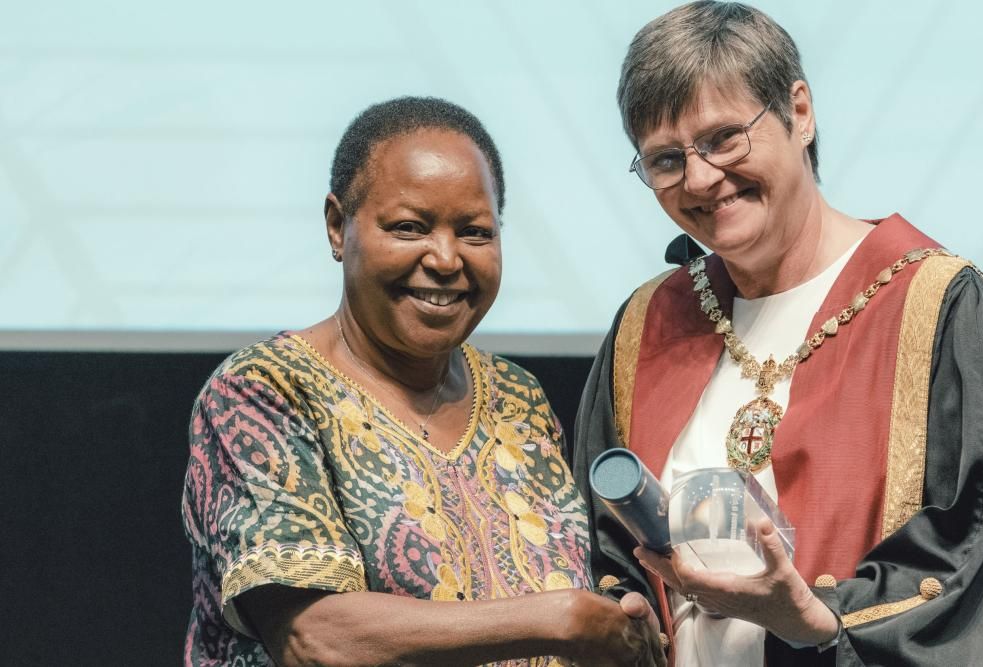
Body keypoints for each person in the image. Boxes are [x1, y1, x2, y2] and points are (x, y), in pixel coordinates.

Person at [571, 2, 983, 666]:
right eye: (664, 159)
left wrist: (817, 619)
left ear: (799, 112)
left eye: (723, 139)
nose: (701, 178)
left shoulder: (939, 306)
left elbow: (972, 556)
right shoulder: (645, 325)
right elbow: (599, 549)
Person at [181, 96, 666, 667]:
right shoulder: (265, 391)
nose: (444, 258)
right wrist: (562, 620)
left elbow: (574, 578)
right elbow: (316, 640)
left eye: (475, 232)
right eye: (409, 228)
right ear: (338, 227)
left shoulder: (517, 397)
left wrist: (620, 612)